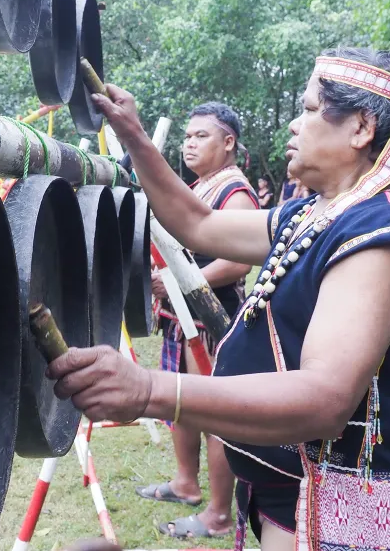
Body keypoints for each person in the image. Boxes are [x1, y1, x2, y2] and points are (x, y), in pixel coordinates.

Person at [47, 47, 390, 551]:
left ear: (360, 128)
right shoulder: (317, 214)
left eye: (308, 110)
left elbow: (325, 400)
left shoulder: (380, 236)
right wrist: (133, 136)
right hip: (287, 488)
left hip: (332, 508)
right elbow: (197, 223)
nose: (293, 124)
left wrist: (151, 390)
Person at [142, 101, 259, 540]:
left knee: (213, 413)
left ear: (228, 143)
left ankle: (217, 515)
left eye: (201, 136)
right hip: (181, 316)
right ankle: (185, 484)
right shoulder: (203, 186)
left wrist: (178, 281)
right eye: (187, 136)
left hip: (213, 318)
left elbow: (237, 263)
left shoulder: (235, 193)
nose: (189, 144)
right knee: (183, 404)